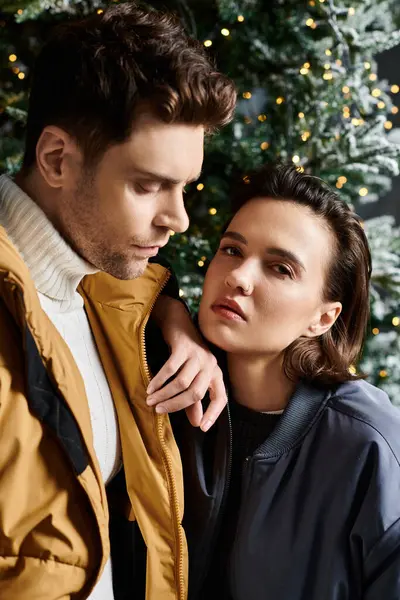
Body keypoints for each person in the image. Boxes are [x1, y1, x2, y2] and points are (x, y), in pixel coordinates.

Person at [0, 3, 236, 599]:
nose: (178, 219)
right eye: (148, 185)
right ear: (57, 158)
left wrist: (173, 323)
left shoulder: (111, 288)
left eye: (184, 188)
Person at [176, 163, 400, 600]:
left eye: (280, 269)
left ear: (323, 318)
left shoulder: (369, 444)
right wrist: (170, 316)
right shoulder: (167, 389)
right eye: (231, 250)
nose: (237, 277)